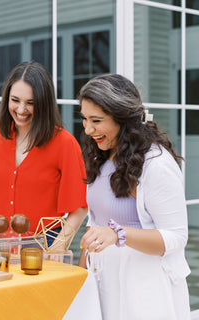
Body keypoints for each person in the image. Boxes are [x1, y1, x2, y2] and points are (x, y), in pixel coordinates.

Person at [78, 74, 191, 319]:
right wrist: (82, 279)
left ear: (122, 118)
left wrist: (118, 233)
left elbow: (177, 236)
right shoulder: (102, 156)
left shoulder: (156, 164)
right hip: (103, 284)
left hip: (143, 292)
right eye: (84, 119)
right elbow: (95, 225)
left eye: (96, 120)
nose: (88, 129)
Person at [0, 61, 88, 247]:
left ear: (44, 104)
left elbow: (80, 208)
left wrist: (58, 244)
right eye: (15, 100)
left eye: (30, 103)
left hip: (44, 244)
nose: (20, 110)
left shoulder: (65, 143)